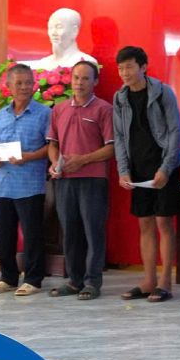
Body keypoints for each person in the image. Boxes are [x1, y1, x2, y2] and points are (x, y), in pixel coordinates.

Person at [113, 46, 180, 303]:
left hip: (165, 166)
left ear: (143, 67)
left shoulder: (163, 91)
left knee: (163, 223)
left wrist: (166, 168)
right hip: (138, 169)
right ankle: (148, 280)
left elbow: (175, 131)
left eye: (129, 67)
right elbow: (119, 137)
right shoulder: (119, 98)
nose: (124, 73)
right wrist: (123, 171)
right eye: (121, 68)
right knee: (144, 223)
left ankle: (165, 281)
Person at [46, 60, 115, 301]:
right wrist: (55, 163)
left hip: (93, 180)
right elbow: (52, 144)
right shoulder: (59, 109)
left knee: (93, 232)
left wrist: (83, 160)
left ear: (95, 81)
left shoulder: (104, 109)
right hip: (65, 181)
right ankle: (74, 281)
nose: (80, 82)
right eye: (76, 77)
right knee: (70, 232)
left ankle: (92, 282)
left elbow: (111, 149)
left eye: (86, 78)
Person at [0, 63, 52, 296]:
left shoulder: (44, 113)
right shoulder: (1, 114)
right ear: (9, 86)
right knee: (4, 236)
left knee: (33, 235)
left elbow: (52, 146)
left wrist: (29, 156)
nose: (24, 87)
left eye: (28, 83)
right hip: (2, 186)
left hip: (30, 184)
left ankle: (33, 279)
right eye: (19, 83)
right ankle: (8, 277)